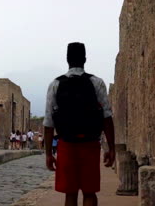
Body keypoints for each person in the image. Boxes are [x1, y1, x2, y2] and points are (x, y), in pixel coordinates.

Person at [44, 42, 115, 206]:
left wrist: (48, 153)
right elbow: (106, 117)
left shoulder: (55, 84)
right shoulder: (97, 83)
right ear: (85, 59)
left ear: (67, 59)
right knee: (89, 192)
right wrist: (111, 148)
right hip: (90, 144)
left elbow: (48, 123)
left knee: (70, 193)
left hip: (66, 144)